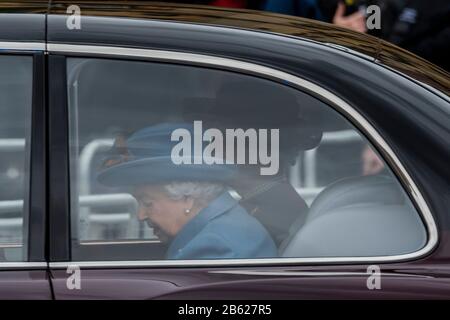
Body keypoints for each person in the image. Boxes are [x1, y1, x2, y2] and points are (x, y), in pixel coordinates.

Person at [98, 123, 277, 260]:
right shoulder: (225, 224)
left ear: (188, 198)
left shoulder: (213, 247)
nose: (140, 215)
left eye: (147, 202)